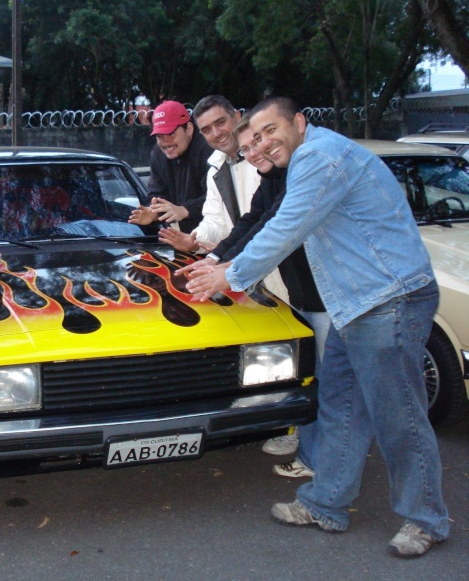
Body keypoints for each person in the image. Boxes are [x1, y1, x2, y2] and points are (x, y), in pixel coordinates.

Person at [182, 96, 448, 558]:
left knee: (398, 417)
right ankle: (327, 503)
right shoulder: (309, 159)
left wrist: (230, 274)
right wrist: (221, 260)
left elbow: (286, 226)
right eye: (257, 136)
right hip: (355, 304)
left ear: (299, 123)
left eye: (271, 130)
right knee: (341, 407)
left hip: (388, 301)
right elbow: (263, 222)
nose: (263, 142)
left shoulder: (319, 158)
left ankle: (426, 519)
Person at [179, 115, 330, 477]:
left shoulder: (303, 171)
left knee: (329, 383)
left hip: (328, 294)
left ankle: (322, 463)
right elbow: (251, 221)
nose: (253, 152)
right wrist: (213, 259)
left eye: (258, 143)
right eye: (246, 148)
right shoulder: (271, 176)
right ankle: (310, 447)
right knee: (309, 376)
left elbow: (273, 229)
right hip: (301, 292)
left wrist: (228, 273)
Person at [160, 95, 287, 301]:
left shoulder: (268, 162)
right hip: (248, 279)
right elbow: (218, 220)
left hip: (283, 273)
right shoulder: (216, 168)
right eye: (207, 130)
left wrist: (226, 263)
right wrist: (196, 240)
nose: (216, 133)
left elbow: (270, 224)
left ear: (236, 117)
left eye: (220, 123)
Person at [128, 100, 211, 233]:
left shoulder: (208, 150)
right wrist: (154, 211)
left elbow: (218, 199)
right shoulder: (157, 154)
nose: (166, 142)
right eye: (160, 136)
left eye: (171, 134)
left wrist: (185, 210)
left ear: (189, 129)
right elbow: (156, 194)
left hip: (216, 238)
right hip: (180, 240)